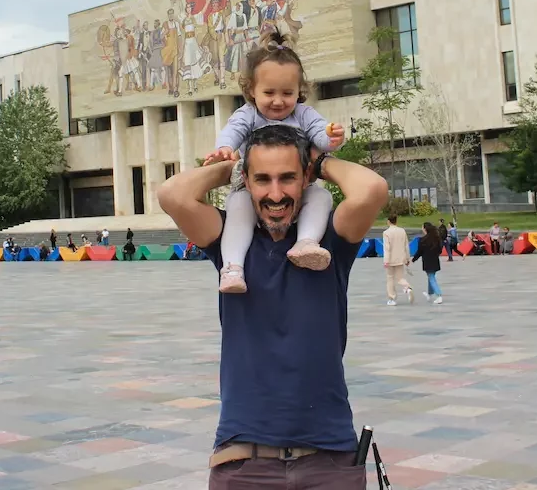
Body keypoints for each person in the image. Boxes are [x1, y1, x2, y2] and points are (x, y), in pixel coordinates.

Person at [158, 124, 388, 488]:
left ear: (306, 179)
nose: (275, 193)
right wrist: (230, 165)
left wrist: (320, 160)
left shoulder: (330, 243)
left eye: (288, 177)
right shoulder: (230, 244)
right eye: (262, 179)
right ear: (246, 183)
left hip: (328, 460)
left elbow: (371, 189)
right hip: (245, 462)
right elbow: (173, 195)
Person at [203, 32, 344, 293]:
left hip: (298, 187)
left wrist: (331, 137)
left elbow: (319, 132)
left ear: (299, 92)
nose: (278, 101)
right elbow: (232, 131)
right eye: (269, 92)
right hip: (252, 190)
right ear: (251, 91)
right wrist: (224, 149)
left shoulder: (303, 114)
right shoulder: (248, 115)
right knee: (237, 208)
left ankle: (306, 242)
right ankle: (233, 267)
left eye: (287, 93)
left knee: (322, 199)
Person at [382, 214, 413, 306]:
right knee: (400, 278)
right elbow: (406, 245)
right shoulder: (402, 231)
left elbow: (387, 248)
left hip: (390, 259)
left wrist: (386, 260)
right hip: (401, 258)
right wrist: (407, 258)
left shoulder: (386, 233)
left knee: (390, 279)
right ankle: (407, 288)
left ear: (388, 221)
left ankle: (392, 298)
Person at [412, 222, 444, 304]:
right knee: (431, 276)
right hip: (435, 260)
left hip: (427, 261)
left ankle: (439, 295)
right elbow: (440, 250)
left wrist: (413, 259)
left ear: (425, 229)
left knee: (431, 277)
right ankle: (430, 294)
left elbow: (419, 252)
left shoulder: (423, 240)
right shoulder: (436, 238)